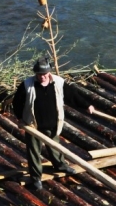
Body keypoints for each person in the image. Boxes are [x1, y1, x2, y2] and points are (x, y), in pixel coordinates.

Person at [12, 57, 95, 190]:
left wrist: (87, 105)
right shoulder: (27, 84)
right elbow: (17, 102)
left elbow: (73, 95)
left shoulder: (59, 82)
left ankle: (61, 166)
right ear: (35, 74)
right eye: (39, 75)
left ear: (49, 73)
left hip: (52, 123)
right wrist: (20, 118)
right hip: (33, 125)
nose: (42, 77)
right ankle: (36, 177)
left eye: (44, 74)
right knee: (34, 152)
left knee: (55, 148)